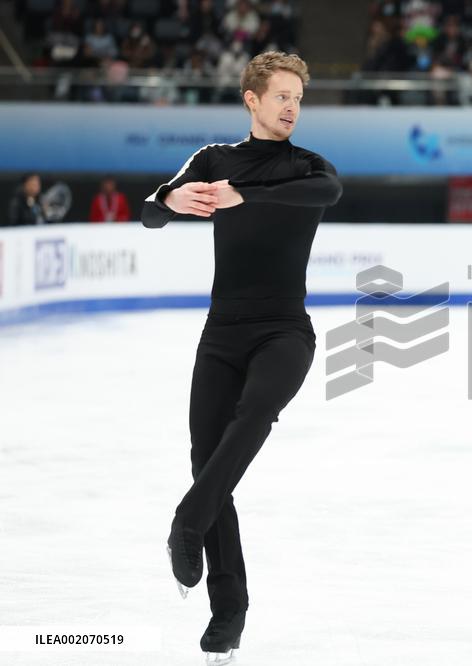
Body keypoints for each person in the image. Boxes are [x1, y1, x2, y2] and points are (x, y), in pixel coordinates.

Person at [140, 51, 342, 663]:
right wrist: (173, 204)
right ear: (251, 100)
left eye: (298, 99)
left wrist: (242, 197)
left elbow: (328, 190)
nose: (291, 108)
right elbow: (152, 208)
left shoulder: (304, 165)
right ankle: (228, 609)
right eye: (281, 96)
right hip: (223, 331)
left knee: (252, 417)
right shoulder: (211, 160)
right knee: (209, 456)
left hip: (285, 330)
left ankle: (187, 520)